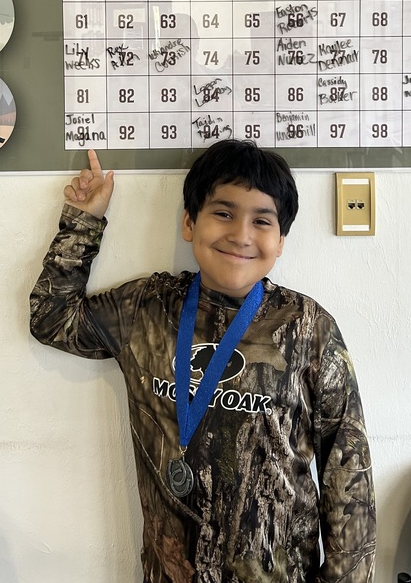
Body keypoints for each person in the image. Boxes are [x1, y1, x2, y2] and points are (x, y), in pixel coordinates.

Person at [30, 141, 376, 583]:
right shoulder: (146, 310)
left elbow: (348, 475)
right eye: (224, 213)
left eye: (262, 221)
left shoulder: (309, 329)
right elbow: (51, 319)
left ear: (281, 240)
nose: (241, 235)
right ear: (190, 223)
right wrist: (84, 222)